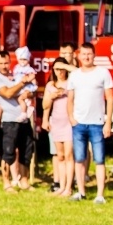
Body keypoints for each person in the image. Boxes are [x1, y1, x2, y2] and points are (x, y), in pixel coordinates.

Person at [67, 42, 113, 204]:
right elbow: (70, 99)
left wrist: (108, 121)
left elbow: (110, 98)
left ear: (94, 55)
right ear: (79, 56)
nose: (86, 57)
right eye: (84, 54)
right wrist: (71, 118)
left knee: (99, 160)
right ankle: (81, 192)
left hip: (97, 123)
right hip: (79, 123)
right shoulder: (74, 75)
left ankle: (100, 195)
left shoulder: (103, 73)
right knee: (79, 159)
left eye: (89, 54)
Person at [0, 51, 36, 193]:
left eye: (6, 63)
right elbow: (8, 93)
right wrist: (23, 83)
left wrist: (28, 93)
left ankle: (24, 181)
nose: (4, 66)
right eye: (1, 63)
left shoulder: (16, 75)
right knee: (9, 152)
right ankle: (7, 183)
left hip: (24, 118)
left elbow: (32, 91)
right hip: (9, 120)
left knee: (26, 151)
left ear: (10, 62)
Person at [42, 58, 74, 196]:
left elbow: (78, 72)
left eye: (62, 69)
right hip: (56, 123)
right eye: (56, 69)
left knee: (68, 155)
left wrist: (66, 66)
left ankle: (68, 188)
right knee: (60, 156)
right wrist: (51, 96)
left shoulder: (71, 82)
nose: (59, 72)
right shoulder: (51, 85)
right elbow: (45, 106)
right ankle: (61, 186)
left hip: (69, 123)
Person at [12, 46, 37, 122]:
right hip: (18, 86)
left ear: (28, 60)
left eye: (24, 59)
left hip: (26, 87)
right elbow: (14, 76)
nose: (22, 61)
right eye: (21, 59)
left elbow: (33, 75)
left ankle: (24, 113)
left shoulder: (29, 69)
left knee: (21, 99)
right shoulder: (16, 68)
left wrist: (28, 80)